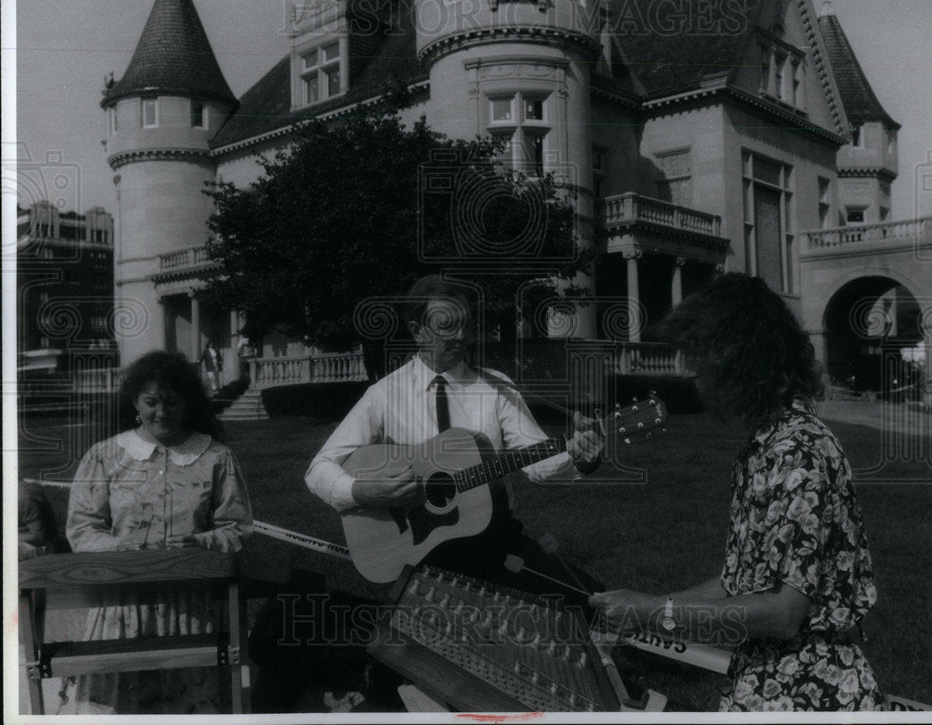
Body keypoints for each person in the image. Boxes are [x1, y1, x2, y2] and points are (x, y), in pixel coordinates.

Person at [590, 274, 884, 712]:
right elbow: (741, 583)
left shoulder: (798, 452)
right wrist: (644, 609)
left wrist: (656, 614)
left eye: (697, 356)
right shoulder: (765, 446)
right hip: (766, 682)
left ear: (737, 360)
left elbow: (783, 613)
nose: (687, 371)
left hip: (809, 693)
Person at [305, 274, 604, 587]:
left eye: (466, 324)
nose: (461, 336)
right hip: (419, 555)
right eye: (447, 326)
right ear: (417, 331)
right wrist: (363, 492)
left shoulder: (496, 387)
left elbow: (538, 464)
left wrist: (580, 457)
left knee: (589, 600)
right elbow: (318, 469)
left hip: (493, 542)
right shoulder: (383, 395)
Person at [65, 350, 252, 715]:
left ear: (187, 404)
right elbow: (81, 528)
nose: (161, 412)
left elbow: (238, 527)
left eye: (171, 402)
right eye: (151, 402)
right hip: (120, 610)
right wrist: (122, 547)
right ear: (135, 401)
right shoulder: (105, 456)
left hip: (193, 610)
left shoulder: (216, 458)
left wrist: (202, 542)